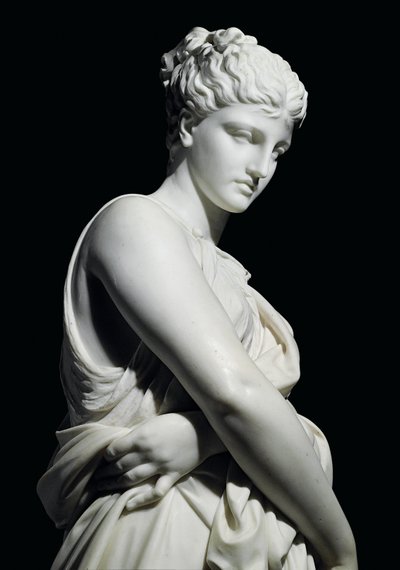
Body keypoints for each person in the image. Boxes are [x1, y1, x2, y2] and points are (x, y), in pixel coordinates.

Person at [37, 27, 358, 570]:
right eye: (243, 135)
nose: (261, 167)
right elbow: (238, 397)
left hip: (254, 533)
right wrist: (343, 551)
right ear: (188, 125)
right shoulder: (135, 223)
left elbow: (243, 412)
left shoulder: (227, 274)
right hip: (161, 527)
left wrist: (205, 435)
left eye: (277, 150)